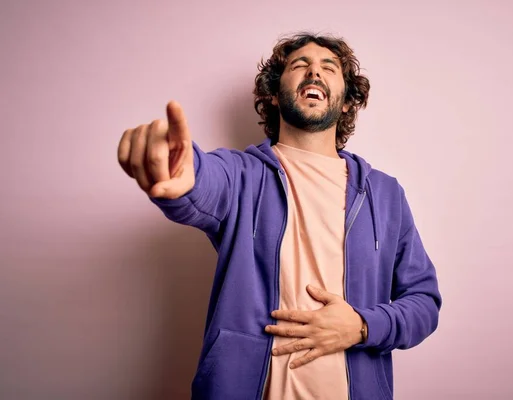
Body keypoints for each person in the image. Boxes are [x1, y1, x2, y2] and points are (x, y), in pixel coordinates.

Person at [117, 32, 442, 400]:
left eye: (328, 68)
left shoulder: (385, 195)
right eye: (299, 65)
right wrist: (179, 169)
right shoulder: (241, 175)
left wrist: (363, 326)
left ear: (349, 101)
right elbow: (203, 180)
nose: (314, 73)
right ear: (273, 93)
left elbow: (424, 303)